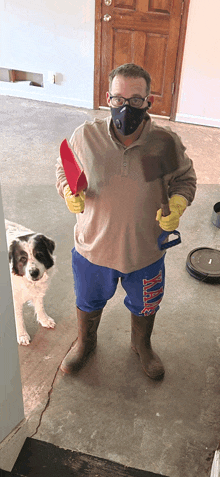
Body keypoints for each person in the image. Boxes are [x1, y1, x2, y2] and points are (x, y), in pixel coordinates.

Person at [56, 63, 197, 380]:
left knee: (146, 305)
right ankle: (85, 343)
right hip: (93, 249)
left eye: (136, 99)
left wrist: (177, 204)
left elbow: (184, 181)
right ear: (108, 98)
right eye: (118, 98)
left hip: (144, 251)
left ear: (149, 101)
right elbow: (63, 168)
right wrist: (68, 191)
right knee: (88, 302)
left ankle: (141, 345)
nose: (126, 106)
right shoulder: (86, 137)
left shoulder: (163, 143)